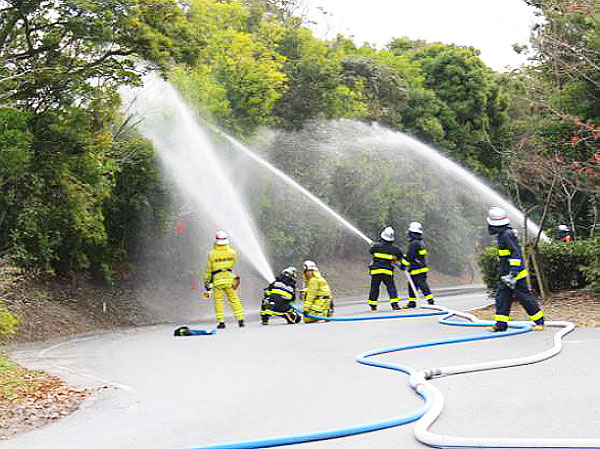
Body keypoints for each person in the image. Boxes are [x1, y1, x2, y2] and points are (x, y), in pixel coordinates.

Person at [486, 206, 545, 332]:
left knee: (525, 298)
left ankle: (539, 321)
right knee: (502, 298)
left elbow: (515, 254)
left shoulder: (506, 235)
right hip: (507, 275)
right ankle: (501, 324)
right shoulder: (504, 234)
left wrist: (513, 272)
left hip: (514, 275)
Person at [203, 230, 245, 329]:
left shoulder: (211, 254)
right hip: (230, 279)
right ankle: (240, 319)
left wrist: (206, 282)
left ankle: (221, 322)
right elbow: (233, 265)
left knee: (218, 301)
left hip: (217, 281)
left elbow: (208, 270)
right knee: (234, 299)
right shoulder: (232, 252)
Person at [367, 226, 405, 311]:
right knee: (391, 287)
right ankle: (394, 304)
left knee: (374, 287)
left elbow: (371, 251)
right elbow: (400, 256)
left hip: (376, 271)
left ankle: (373, 304)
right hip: (387, 272)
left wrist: (374, 245)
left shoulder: (376, 247)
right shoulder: (395, 249)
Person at [402, 222, 435, 308]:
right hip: (420, 267)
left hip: (417, 268)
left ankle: (429, 301)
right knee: (413, 285)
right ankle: (413, 302)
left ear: (412, 233)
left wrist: (403, 264)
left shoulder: (414, 243)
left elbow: (410, 256)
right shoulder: (420, 242)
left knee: (420, 285)